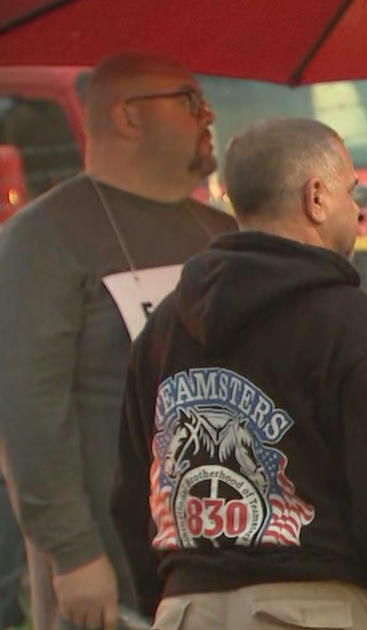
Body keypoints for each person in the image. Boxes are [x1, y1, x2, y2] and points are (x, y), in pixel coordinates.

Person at [110, 118, 367, 630]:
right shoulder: (350, 323)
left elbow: (133, 496)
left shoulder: (162, 328)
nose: (358, 210)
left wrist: (176, 596)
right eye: (351, 191)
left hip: (186, 609)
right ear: (316, 197)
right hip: (317, 607)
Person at [0, 52, 237, 630]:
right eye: (188, 100)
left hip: (234, 552)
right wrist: (74, 552)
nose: (208, 115)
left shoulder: (226, 234)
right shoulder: (42, 237)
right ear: (128, 117)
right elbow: (29, 409)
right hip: (119, 578)